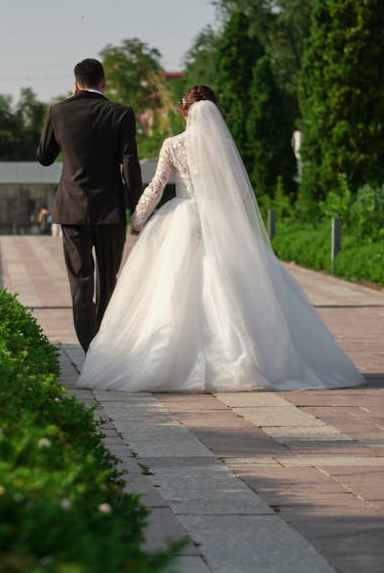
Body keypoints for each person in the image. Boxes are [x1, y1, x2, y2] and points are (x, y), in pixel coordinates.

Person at [79, 85, 365, 392]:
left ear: (183, 110)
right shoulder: (225, 147)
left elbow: (157, 186)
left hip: (181, 217)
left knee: (170, 288)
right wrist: (222, 211)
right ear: (216, 112)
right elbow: (241, 192)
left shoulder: (173, 144)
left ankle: (168, 361)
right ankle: (243, 361)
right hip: (218, 218)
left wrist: (138, 219)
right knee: (233, 287)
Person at [37, 58, 142, 352]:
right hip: (110, 210)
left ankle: (90, 350)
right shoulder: (121, 113)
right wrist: (137, 204)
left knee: (81, 283)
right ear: (103, 82)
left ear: (75, 84)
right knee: (108, 281)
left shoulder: (58, 111)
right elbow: (129, 162)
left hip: (72, 210)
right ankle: (104, 348)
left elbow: (44, 156)